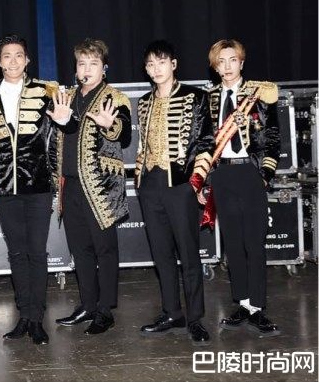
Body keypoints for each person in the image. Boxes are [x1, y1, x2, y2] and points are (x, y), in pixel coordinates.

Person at [0, 34, 60, 345]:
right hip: (5, 186)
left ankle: (37, 318)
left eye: (18, 55)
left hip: (39, 185)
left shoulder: (47, 92)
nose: (12, 61)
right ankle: (24, 314)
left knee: (36, 252)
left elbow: (63, 130)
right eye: (7, 56)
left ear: (27, 60)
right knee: (16, 253)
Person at [134, 40, 214, 346]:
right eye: (150, 64)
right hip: (150, 186)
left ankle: (195, 318)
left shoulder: (196, 97)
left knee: (189, 254)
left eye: (161, 62)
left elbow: (205, 142)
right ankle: (172, 313)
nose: (156, 69)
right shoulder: (144, 101)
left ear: (174, 64)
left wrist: (197, 183)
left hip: (180, 185)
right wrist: (140, 180)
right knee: (161, 254)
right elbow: (143, 145)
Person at [52, 38, 131, 335]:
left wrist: (111, 125)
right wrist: (63, 122)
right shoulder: (67, 97)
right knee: (80, 249)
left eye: (93, 63)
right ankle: (87, 304)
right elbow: (66, 130)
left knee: (105, 249)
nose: (86, 69)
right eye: (81, 63)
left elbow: (124, 134)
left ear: (104, 68)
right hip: (70, 185)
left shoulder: (115, 98)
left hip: (100, 186)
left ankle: (105, 309)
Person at [204, 39, 281, 337]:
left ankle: (257, 308)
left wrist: (264, 175)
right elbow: (204, 142)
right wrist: (204, 179)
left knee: (254, 243)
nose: (227, 66)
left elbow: (273, 137)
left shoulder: (260, 94)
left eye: (232, 60)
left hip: (250, 173)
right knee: (233, 243)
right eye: (221, 61)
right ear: (215, 67)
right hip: (222, 175)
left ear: (242, 62)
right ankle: (244, 303)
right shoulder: (208, 99)